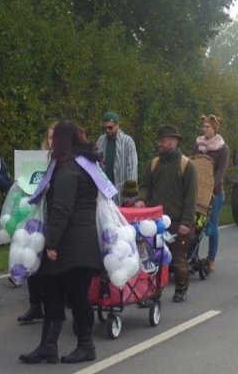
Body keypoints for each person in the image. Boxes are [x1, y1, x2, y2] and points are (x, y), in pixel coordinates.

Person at [19, 121, 103, 364]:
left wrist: (52, 243)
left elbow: (62, 209)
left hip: (74, 244)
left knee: (77, 296)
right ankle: (48, 346)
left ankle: (87, 346)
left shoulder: (68, 169)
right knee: (52, 291)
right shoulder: (80, 164)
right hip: (75, 241)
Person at [135, 125, 197, 303]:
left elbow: (191, 197)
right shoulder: (153, 164)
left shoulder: (187, 166)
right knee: (153, 259)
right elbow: (146, 186)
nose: (159, 143)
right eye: (159, 140)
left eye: (162, 140)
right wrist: (141, 199)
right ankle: (153, 292)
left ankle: (181, 288)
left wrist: (187, 222)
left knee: (178, 259)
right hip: (155, 221)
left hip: (178, 221)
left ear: (173, 141)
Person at [17, 123, 55, 324]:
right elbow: (25, 183)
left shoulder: (63, 161)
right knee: (30, 258)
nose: (52, 142)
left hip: (52, 218)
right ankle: (35, 306)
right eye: (49, 138)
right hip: (34, 217)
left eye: (55, 137)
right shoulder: (37, 160)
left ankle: (50, 305)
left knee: (49, 265)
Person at [193, 114, 229, 274]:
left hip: (215, 192)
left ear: (215, 129)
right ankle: (193, 256)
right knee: (196, 225)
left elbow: (221, 171)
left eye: (208, 127)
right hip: (198, 192)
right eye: (204, 127)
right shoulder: (198, 144)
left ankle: (211, 258)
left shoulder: (222, 148)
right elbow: (191, 162)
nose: (204, 129)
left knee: (212, 225)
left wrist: (212, 185)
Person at [95, 111, 138, 205]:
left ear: (117, 125)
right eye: (104, 128)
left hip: (121, 192)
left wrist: (130, 197)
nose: (107, 130)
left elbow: (132, 168)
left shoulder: (128, 142)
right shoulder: (100, 140)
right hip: (104, 191)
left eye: (110, 127)